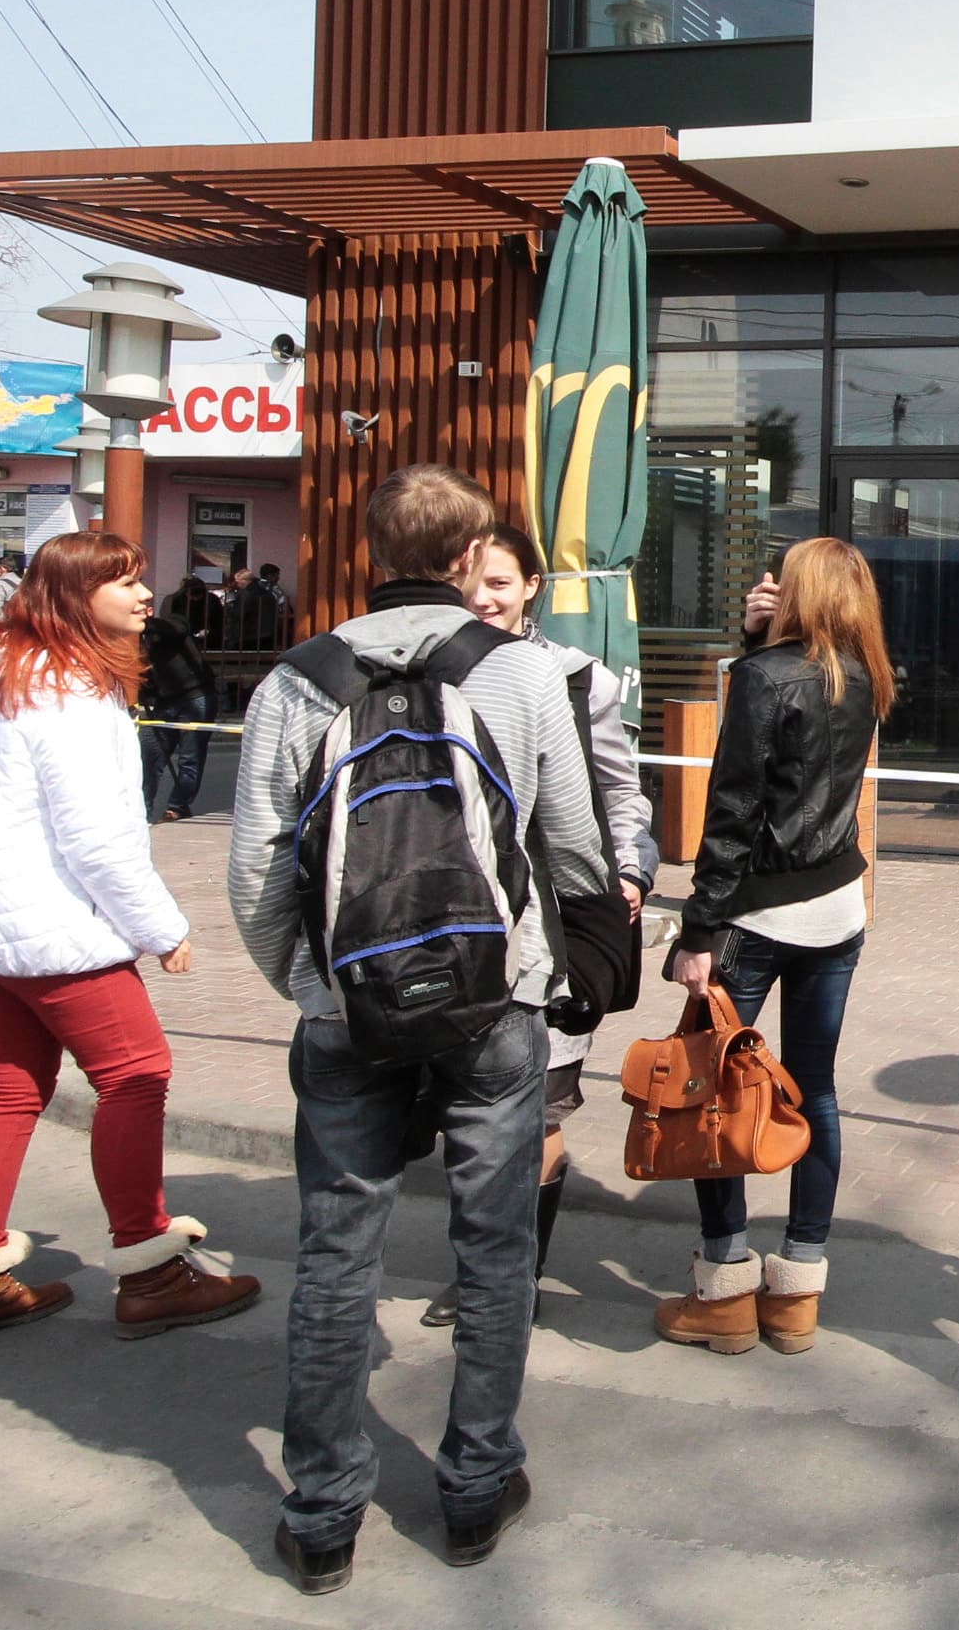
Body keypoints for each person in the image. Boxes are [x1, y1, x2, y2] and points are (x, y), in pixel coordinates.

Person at [229, 465, 612, 1594]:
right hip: (496, 1002)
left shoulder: (299, 682)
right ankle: (477, 1485)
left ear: (370, 550)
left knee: (336, 1248)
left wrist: (307, 980)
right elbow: (576, 844)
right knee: (494, 1247)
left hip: (347, 1003)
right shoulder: (526, 673)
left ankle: (321, 1512)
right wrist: (553, 958)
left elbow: (257, 864)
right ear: (467, 554)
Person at [0, 530, 261, 1352]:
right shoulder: (66, 690)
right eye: (125, 583)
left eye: (142, 579)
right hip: (54, 929)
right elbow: (98, 840)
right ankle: (150, 1270)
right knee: (137, 1075)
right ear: (75, 596)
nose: (146, 596)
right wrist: (162, 928)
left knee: (9, 1086)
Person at [650, 537, 889, 1360]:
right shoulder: (865, 673)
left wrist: (698, 929)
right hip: (834, 906)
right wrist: (761, 639)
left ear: (799, 593)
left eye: (779, 582)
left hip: (756, 914)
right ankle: (798, 1289)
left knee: (715, 1090)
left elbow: (735, 809)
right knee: (812, 1089)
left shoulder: (766, 676)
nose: (765, 587)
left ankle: (724, 1282)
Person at [418, 521, 656, 1328]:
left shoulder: (579, 680)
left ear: (530, 588)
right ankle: (483, 1263)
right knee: (474, 1110)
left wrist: (630, 870)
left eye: (497, 581)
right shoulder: (425, 670)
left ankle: (512, 1279)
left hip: (550, 925)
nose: (480, 596)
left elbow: (619, 790)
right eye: (466, 581)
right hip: (450, 924)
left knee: (541, 1108)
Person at [141, 598, 218, 820]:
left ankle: (177, 806)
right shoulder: (130, 639)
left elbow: (178, 627)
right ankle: (142, 810)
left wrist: (144, 624)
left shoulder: (171, 624)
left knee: (190, 758)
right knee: (150, 758)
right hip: (164, 702)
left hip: (196, 697)